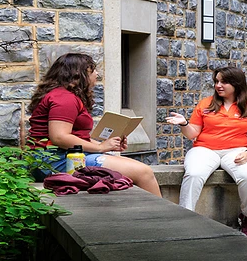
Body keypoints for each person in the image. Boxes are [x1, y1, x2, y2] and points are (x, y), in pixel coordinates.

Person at [26, 52, 161, 196]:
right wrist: (100, 147)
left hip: (62, 156)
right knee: (144, 172)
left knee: (134, 168)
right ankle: (164, 218)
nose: (97, 74)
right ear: (79, 74)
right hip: (53, 161)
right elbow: (59, 137)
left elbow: (74, 136)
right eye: (93, 70)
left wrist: (109, 144)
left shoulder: (63, 96)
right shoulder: (64, 99)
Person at [167, 67, 247, 238]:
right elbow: (192, 134)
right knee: (194, 174)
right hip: (204, 149)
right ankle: (185, 218)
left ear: (236, 84)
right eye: (217, 81)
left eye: (224, 82)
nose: (218, 85)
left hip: (237, 150)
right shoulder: (205, 104)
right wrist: (184, 123)